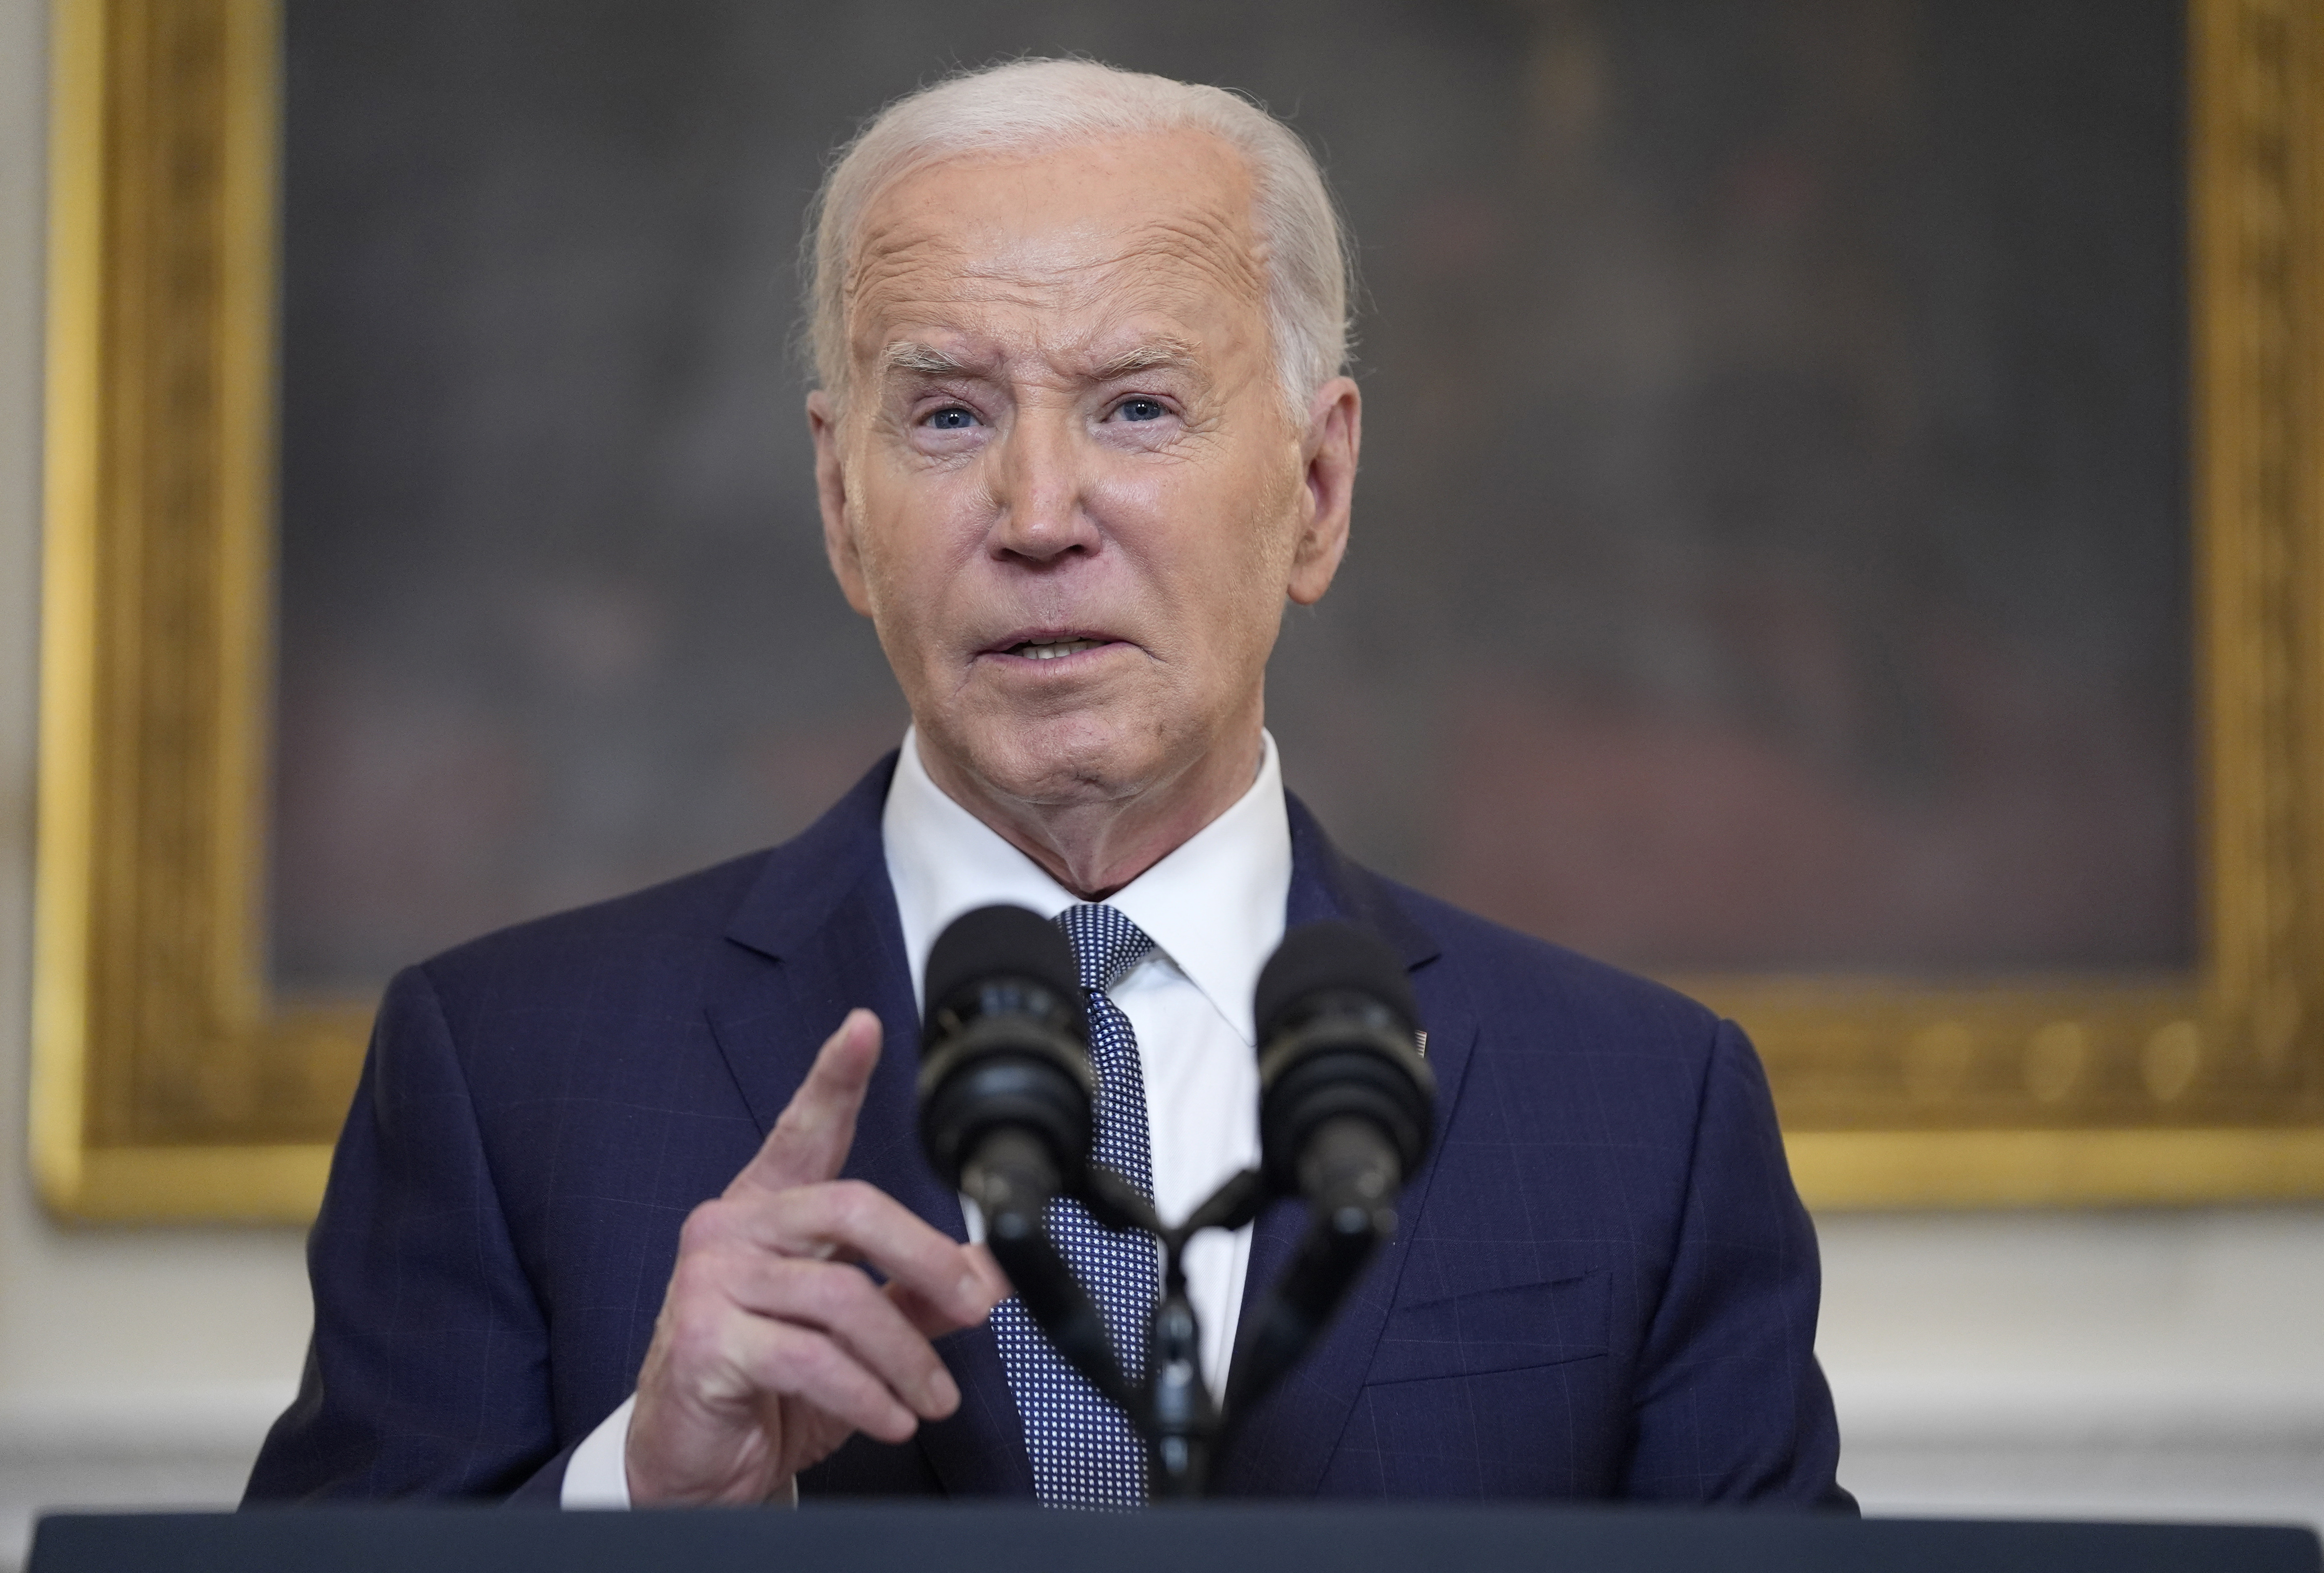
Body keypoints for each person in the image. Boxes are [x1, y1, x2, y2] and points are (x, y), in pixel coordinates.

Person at [245, 58, 1849, 1511]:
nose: (1037, 512)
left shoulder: (1645, 1113)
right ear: (840, 504)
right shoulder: (505, 1074)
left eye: (1136, 406)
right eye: (947, 414)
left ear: (1316, 486)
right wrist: (639, 1503)